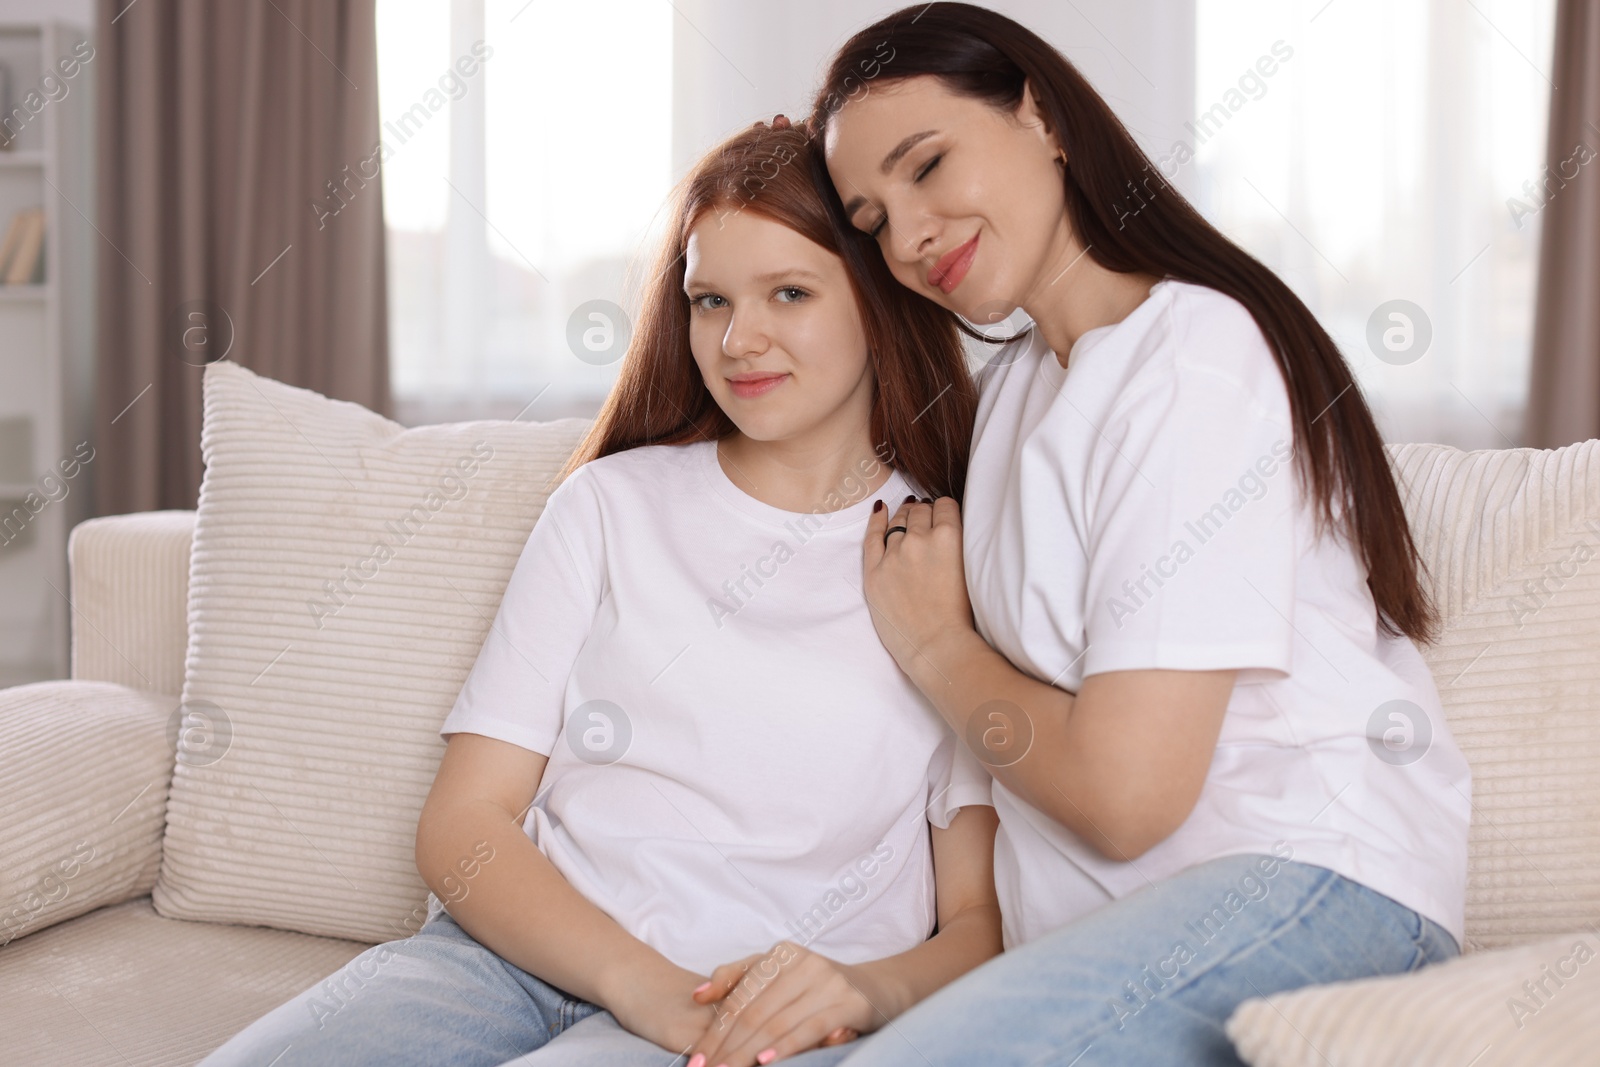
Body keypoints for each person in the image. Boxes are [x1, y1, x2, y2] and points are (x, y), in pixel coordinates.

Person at [200, 119, 1001, 1067]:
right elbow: (463, 822)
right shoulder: (609, 505)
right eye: (710, 300)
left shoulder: (949, 547)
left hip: (767, 1011)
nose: (740, 340)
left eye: (790, 292)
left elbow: (980, 919)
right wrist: (641, 986)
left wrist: (863, 991)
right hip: (514, 963)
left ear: (876, 298)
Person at [809, 5, 1472, 1065]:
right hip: (1123, 937)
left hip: (1312, 889)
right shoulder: (1017, 393)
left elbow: (1127, 796)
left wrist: (936, 646)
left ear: (1040, 115)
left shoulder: (1191, 353)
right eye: (872, 219)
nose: (910, 233)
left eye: (926, 166)